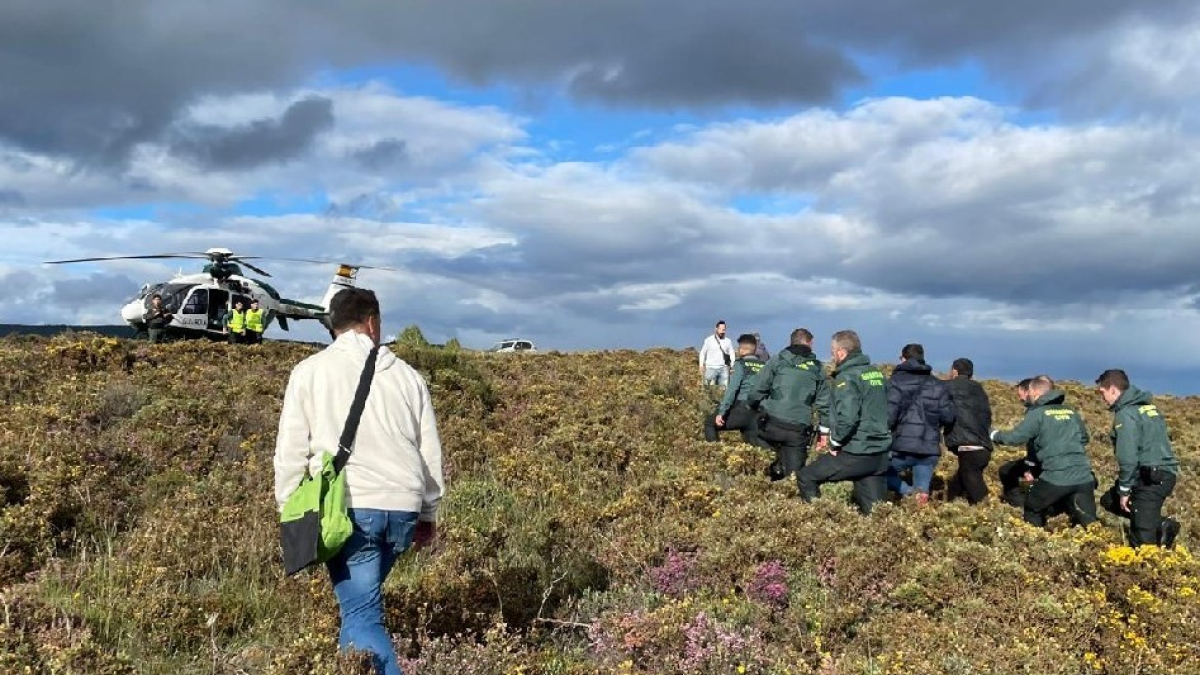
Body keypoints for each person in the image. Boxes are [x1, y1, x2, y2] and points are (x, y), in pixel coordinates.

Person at [273, 288, 444, 675]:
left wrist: (290, 511)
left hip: (349, 507)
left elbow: (289, 452)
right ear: (372, 322)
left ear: (333, 325)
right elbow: (430, 453)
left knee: (363, 616)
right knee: (357, 611)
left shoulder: (309, 372)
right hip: (403, 508)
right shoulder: (409, 377)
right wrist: (428, 514)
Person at [798, 330, 892, 514]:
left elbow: (848, 418)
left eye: (833, 352)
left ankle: (819, 522)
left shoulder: (847, 377)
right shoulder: (877, 374)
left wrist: (835, 442)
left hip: (857, 451)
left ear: (841, 352)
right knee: (875, 514)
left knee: (806, 477)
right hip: (879, 454)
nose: (832, 357)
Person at [991, 376, 1097, 529]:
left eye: (1029, 392)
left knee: (1032, 506)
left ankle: (1036, 537)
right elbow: (1084, 438)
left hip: (1056, 476)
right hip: (1084, 476)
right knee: (1089, 523)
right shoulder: (1071, 411)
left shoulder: (1038, 413)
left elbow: (1014, 438)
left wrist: (993, 434)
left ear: (1034, 392)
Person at [1095, 369, 1181, 549]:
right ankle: (1160, 523)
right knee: (1109, 500)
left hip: (1151, 477)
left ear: (1113, 389)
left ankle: (1149, 554)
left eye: (1102, 392)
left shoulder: (1126, 414)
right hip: (1160, 473)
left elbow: (1128, 456)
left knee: (1142, 539)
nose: (1102, 398)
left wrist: (1125, 489)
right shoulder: (1148, 408)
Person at [746, 328, 828, 483]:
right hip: (798, 430)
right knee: (794, 478)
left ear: (790, 342)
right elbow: (825, 404)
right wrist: (824, 434)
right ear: (810, 343)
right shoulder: (817, 369)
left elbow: (756, 391)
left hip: (771, 425)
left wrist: (754, 406)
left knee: (752, 430)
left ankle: (769, 470)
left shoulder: (776, 360)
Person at [885, 343, 955, 505]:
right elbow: (948, 417)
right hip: (928, 448)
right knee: (922, 493)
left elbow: (889, 418)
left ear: (903, 359)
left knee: (878, 473)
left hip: (901, 447)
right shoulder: (938, 385)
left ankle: (909, 492)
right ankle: (918, 500)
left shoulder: (895, 382)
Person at [704, 333, 770, 449]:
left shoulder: (740, 364)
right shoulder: (765, 366)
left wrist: (721, 412)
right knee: (755, 444)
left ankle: (716, 453)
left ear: (742, 349)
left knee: (710, 423)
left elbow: (732, 390)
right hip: (759, 412)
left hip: (742, 408)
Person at [943, 357, 994, 505]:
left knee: (975, 486)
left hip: (969, 447)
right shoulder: (979, 389)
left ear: (954, 371)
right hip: (983, 445)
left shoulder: (947, 387)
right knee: (957, 483)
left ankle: (987, 512)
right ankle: (949, 505)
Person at [997, 378, 1039, 507]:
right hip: (1048, 460)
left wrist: (1030, 467)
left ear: (1028, 391)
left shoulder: (1036, 412)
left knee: (1007, 471)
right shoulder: (1036, 410)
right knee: (1006, 470)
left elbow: (1020, 438)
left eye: (1020, 394)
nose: (1019, 398)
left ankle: (1021, 505)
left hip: (1044, 461)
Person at [698, 320, 734, 388]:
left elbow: (732, 353)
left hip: (724, 369)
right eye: (720, 329)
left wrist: (732, 365)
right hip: (710, 368)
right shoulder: (708, 340)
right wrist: (701, 365)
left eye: (724, 329)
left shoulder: (728, 341)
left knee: (724, 390)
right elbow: (702, 353)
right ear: (716, 329)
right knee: (709, 390)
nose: (722, 331)